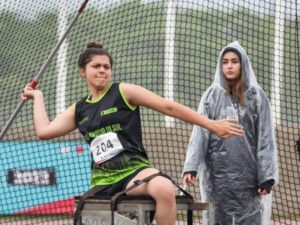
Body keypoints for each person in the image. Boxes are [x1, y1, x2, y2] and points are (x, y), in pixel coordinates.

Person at [21, 42, 244, 225]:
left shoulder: (123, 92)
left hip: (134, 173)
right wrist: (38, 97)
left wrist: (211, 125)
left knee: (164, 187)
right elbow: (44, 131)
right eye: (96, 66)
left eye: (106, 67)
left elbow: (169, 107)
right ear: (83, 71)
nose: (102, 70)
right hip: (103, 180)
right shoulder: (80, 108)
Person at [182, 41, 278, 225]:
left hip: (249, 181)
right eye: (225, 62)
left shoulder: (257, 97)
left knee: (250, 219)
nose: (229, 66)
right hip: (216, 178)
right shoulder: (211, 96)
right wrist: (191, 166)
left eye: (234, 61)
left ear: (243, 64)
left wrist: (266, 177)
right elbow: (200, 131)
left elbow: (265, 138)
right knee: (216, 219)